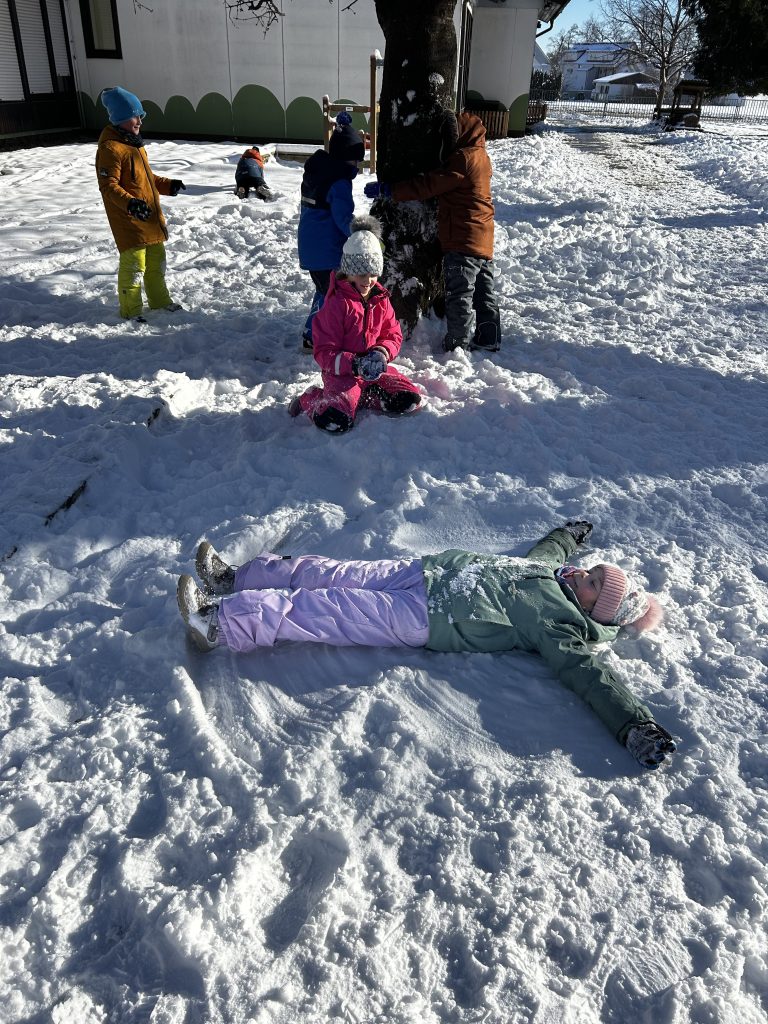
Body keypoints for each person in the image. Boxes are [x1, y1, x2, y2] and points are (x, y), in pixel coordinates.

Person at [176, 521, 677, 771]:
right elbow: (550, 549)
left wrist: (634, 724)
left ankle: (218, 623)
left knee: (325, 608)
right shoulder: (551, 570)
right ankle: (235, 579)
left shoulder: (560, 624)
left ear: (595, 611)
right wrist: (568, 535)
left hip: (429, 617)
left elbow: (589, 676)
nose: (583, 574)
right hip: (423, 572)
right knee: (325, 572)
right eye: (593, 570)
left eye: (593, 583)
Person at [365, 110, 501, 354]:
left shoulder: (462, 159)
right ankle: (489, 336)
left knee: (459, 294)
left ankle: (457, 345)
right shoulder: (481, 157)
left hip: (462, 239)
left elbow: (430, 184)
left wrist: (391, 190)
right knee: (484, 293)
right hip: (483, 239)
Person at [288, 215, 421, 433]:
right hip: (342, 375)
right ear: (348, 271)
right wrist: (355, 364)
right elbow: (324, 352)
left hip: (374, 372)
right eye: (361, 274)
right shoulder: (336, 304)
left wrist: (381, 353)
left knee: (408, 398)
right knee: (335, 419)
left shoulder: (380, 299)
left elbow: (392, 333)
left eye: (373, 274)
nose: (368, 281)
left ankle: (365, 395)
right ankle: (311, 399)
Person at [95, 87, 186, 322]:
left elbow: (147, 179)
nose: (140, 121)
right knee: (134, 267)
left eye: (140, 116)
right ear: (120, 118)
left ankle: (160, 301)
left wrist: (168, 185)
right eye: (135, 116)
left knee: (157, 264)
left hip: (150, 218)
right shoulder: (110, 149)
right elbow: (108, 186)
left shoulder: (135, 145)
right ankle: (131, 310)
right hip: (129, 220)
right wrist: (130, 204)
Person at [298, 111, 365, 350]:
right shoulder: (339, 182)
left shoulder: (318, 174)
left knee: (324, 291)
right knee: (332, 294)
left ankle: (313, 332)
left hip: (311, 248)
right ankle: (316, 336)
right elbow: (342, 218)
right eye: (355, 161)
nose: (357, 166)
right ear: (346, 158)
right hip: (326, 251)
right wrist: (361, 234)